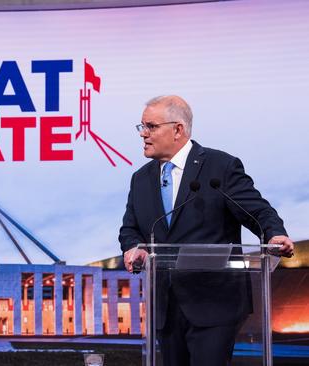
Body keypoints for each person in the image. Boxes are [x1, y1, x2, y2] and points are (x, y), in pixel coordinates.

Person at [118, 95, 293, 366]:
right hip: (166, 307)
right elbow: (130, 229)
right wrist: (133, 247)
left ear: (178, 129)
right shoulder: (140, 179)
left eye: (151, 126)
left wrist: (274, 234)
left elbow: (258, 212)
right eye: (141, 127)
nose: (143, 134)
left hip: (215, 304)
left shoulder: (220, 167)